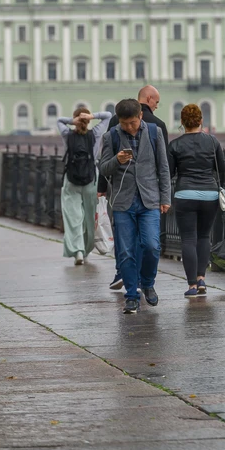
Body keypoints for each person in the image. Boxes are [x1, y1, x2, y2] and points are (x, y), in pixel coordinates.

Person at [100, 99, 171, 314]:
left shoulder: (154, 132)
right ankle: (131, 295)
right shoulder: (111, 136)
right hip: (123, 201)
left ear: (140, 115)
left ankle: (147, 282)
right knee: (126, 252)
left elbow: (163, 167)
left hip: (149, 198)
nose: (129, 127)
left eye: (132, 122)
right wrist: (117, 160)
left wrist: (165, 197)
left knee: (151, 245)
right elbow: (103, 169)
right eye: (124, 124)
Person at [167, 104, 225, 297]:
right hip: (209, 194)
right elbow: (222, 168)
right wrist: (219, 187)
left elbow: (169, 173)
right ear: (201, 121)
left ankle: (192, 285)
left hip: (185, 194)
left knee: (188, 239)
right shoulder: (213, 141)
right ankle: (202, 278)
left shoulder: (175, 145)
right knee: (204, 237)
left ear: (182, 123)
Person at [57, 107, 112, 264]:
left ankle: (78, 251)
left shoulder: (68, 135)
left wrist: (71, 121)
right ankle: (87, 249)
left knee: (73, 216)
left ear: (75, 120)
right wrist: (92, 116)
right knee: (89, 217)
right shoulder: (95, 134)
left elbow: (58, 121)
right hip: (90, 179)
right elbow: (108, 116)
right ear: (88, 120)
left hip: (71, 179)